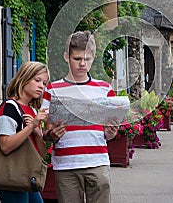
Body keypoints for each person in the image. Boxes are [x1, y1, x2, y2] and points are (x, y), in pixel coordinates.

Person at [42, 31, 119, 203]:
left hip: (97, 161)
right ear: (66, 57)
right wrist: (52, 135)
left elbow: (108, 134)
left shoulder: (105, 89)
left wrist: (111, 132)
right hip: (66, 165)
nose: (82, 64)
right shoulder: (52, 90)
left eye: (87, 59)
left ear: (93, 58)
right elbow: (46, 132)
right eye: (77, 59)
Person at [0, 61, 50, 203]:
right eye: (37, 80)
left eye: (44, 83)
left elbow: (41, 154)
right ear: (24, 78)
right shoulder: (9, 108)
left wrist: (37, 132)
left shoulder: (32, 110)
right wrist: (31, 126)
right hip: (12, 175)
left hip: (27, 173)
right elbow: (5, 146)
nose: (41, 86)